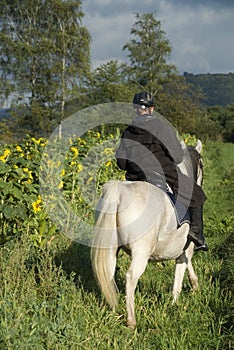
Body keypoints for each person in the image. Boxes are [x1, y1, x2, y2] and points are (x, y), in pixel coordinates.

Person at [116, 91, 208, 251]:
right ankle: (196, 234)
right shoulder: (161, 127)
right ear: (151, 109)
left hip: (134, 178)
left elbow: (121, 163)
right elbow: (178, 157)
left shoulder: (128, 131)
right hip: (162, 176)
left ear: (135, 109)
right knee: (196, 193)